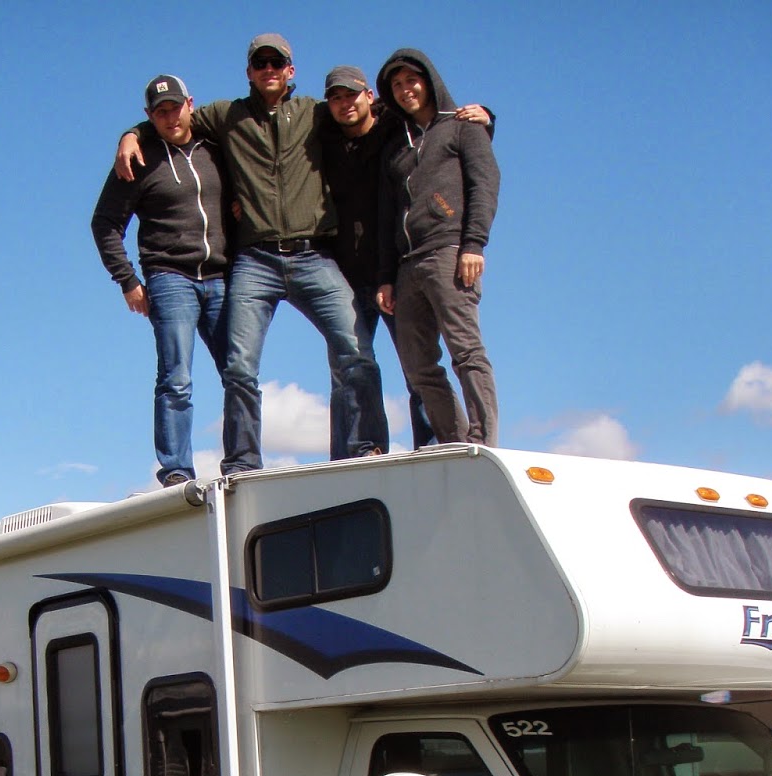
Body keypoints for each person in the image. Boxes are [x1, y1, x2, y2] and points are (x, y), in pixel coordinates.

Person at [118, 35, 387, 473]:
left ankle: (365, 447)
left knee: (356, 350)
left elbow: (374, 112)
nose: (269, 70)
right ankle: (242, 462)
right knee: (239, 367)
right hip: (255, 261)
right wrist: (131, 134)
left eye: (276, 63)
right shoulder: (227, 115)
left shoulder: (316, 113)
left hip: (313, 256)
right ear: (249, 72)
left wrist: (467, 117)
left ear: (290, 70)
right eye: (260, 63)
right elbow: (173, 119)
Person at [321, 67, 493, 453]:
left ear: (369, 96)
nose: (345, 104)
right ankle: (361, 452)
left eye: (352, 95)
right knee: (356, 367)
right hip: (352, 271)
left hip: (413, 260)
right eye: (336, 98)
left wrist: (486, 117)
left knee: (432, 360)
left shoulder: (396, 128)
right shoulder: (325, 135)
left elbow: (468, 162)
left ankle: (439, 445)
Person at [91, 74, 231, 487]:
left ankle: (243, 461)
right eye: (160, 112)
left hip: (222, 275)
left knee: (239, 372)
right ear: (149, 116)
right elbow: (104, 222)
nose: (171, 118)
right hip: (170, 279)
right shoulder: (138, 158)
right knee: (176, 377)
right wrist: (127, 280)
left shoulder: (216, 146)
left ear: (191, 104)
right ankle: (176, 470)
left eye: (176, 108)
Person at [376, 49, 502, 447]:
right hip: (407, 264)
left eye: (411, 80)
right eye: (397, 85)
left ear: (429, 81)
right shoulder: (397, 146)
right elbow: (388, 213)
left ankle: (483, 440)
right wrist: (386, 277)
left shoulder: (463, 126)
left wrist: (474, 244)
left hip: (450, 251)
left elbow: (485, 185)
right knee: (418, 367)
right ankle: (454, 441)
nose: (405, 90)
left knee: (465, 350)